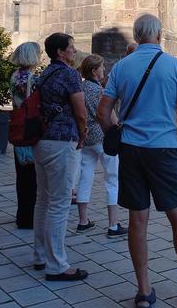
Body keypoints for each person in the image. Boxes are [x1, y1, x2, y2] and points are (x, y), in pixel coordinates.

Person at [98, 14, 177, 308]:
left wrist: (116, 134)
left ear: (138, 36)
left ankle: (144, 292)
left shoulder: (121, 66)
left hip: (130, 149)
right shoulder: (175, 66)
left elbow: (103, 112)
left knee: (137, 220)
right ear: (159, 34)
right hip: (165, 149)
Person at [32, 33, 88, 281]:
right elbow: (81, 110)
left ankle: (40, 255)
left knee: (43, 201)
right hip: (63, 141)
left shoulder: (45, 73)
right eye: (71, 48)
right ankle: (57, 265)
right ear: (60, 52)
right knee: (59, 204)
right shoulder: (69, 74)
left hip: (42, 141)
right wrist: (84, 133)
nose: (74, 52)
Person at [75, 54, 127, 238]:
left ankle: (83, 221)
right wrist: (117, 131)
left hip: (86, 138)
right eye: (102, 68)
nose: (104, 70)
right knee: (112, 179)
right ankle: (113, 225)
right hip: (103, 138)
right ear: (95, 71)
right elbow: (109, 117)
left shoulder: (80, 87)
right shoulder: (100, 91)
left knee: (85, 177)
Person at [9, 41, 42, 229]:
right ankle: (28, 217)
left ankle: (23, 214)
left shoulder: (15, 75)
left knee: (22, 174)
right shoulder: (30, 78)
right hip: (27, 127)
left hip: (18, 124)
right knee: (30, 175)